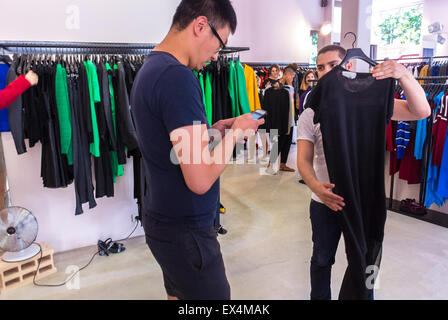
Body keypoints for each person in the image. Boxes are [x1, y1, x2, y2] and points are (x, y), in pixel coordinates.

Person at [130, 0, 264, 300]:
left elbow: (170, 144)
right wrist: (238, 134)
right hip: (186, 231)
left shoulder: (152, 68)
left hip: (164, 220)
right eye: (220, 44)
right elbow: (200, 180)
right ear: (201, 26)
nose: (217, 55)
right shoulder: (177, 77)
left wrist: (211, 132)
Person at [297, 45, 430, 300]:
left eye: (332, 66)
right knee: (321, 259)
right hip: (325, 201)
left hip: (363, 199)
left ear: (347, 66)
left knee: (366, 259)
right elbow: (303, 159)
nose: (325, 72)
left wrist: (404, 75)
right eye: (320, 67)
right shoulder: (312, 111)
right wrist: (315, 187)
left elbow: (421, 111)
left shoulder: (372, 101)